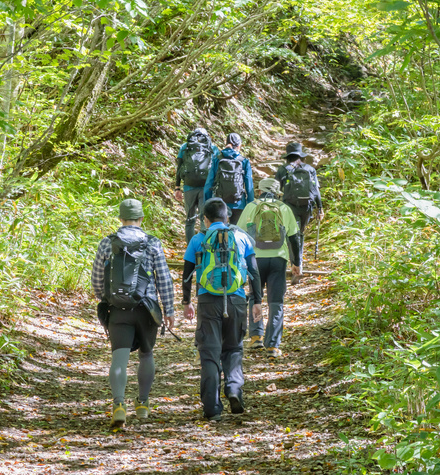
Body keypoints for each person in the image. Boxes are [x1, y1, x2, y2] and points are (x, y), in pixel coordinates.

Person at [92, 198, 176, 428]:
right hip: (146, 309)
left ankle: (119, 405)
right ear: (141, 219)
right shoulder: (153, 243)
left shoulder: (106, 243)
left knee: (119, 356)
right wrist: (169, 310)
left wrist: (106, 299)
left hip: (118, 309)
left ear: (120, 218)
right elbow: (164, 278)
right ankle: (142, 403)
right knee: (146, 355)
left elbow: (97, 279)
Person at [182, 198, 263, 421]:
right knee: (234, 348)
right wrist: (257, 301)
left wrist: (186, 301)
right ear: (227, 217)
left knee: (209, 354)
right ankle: (234, 390)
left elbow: (187, 274)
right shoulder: (241, 238)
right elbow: (254, 272)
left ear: (205, 220)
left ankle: (212, 408)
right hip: (236, 300)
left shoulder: (198, 239)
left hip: (208, 301)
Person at [239, 178, 299, 357]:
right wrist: (297, 263)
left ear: (259, 191)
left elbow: (240, 232)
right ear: (277, 192)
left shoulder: (251, 207)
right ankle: (273, 345)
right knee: (276, 301)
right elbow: (294, 237)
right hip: (278, 260)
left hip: (255, 259)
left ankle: (256, 336)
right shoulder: (284, 208)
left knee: (254, 296)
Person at [275, 141, 323, 285]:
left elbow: (275, 190)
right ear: (300, 156)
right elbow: (316, 191)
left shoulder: (283, 170)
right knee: (299, 234)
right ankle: (298, 265)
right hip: (307, 206)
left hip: (290, 206)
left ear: (288, 156)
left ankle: (295, 265)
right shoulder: (310, 169)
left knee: (292, 236)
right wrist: (320, 208)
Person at [174, 127, 221, 244]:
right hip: (206, 188)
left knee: (190, 219)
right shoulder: (212, 148)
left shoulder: (185, 147)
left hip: (189, 187)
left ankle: (190, 247)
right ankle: (204, 246)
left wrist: (177, 188)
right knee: (204, 218)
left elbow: (179, 168)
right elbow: (217, 169)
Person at [203, 133, 255, 226]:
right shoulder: (244, 161)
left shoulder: (217, 159)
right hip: (238, 203)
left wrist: (207, 203)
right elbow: (249, 185)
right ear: (239, 146)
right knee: (236, 230)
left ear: (226, 143)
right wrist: (250, 204)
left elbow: (209, 183)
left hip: (219, 204)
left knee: (220, 232)